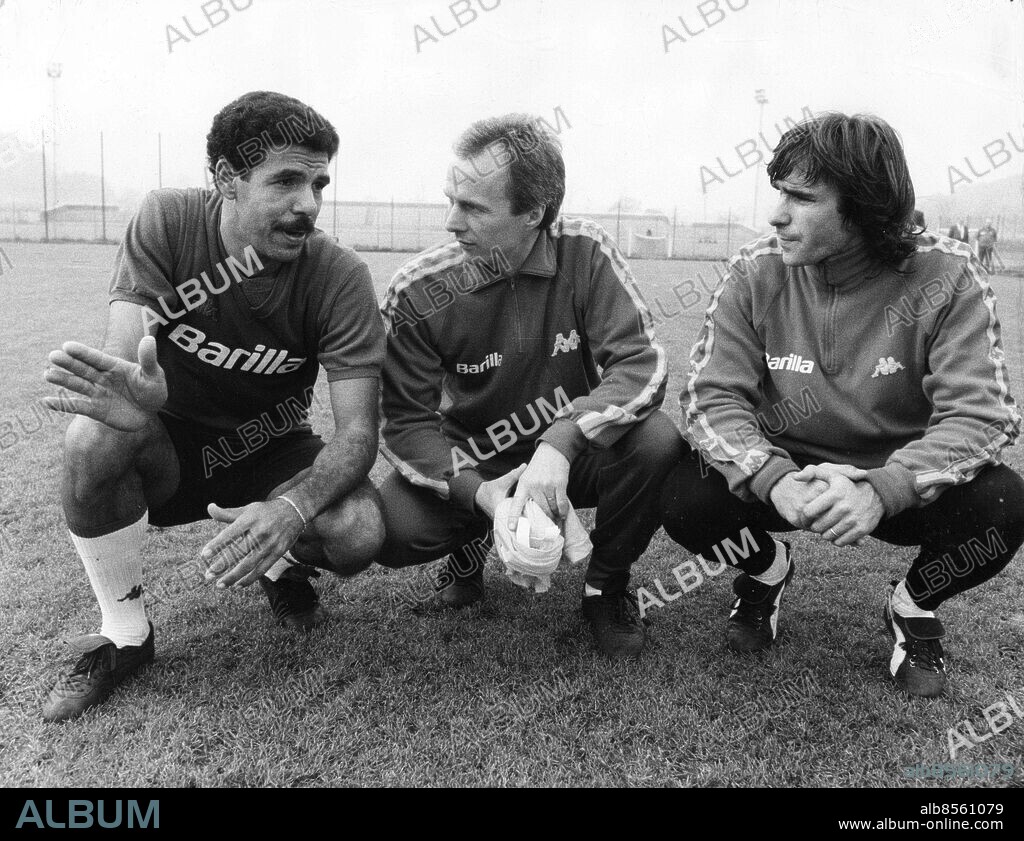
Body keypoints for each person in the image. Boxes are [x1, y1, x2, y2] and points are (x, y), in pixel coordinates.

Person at [39, 91, 386, 721]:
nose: (308, 205)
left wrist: (292, 507)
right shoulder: (169, 220)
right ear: (227, 178)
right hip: (170, 449)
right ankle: (125, 633)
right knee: (91, 438)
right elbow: (126, 352)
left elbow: (359, 435)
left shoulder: (340, 275)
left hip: (272, 451)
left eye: (318, 184)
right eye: (286, 181)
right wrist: (135, 390)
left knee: (358, 531)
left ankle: (279, 562)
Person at [660, 112, 1024, 697]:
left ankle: (912, 604)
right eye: (780, 193)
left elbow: (980, 415)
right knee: (683, 494)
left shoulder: (949, 274)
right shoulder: (755, 271)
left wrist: (884, 488)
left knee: (1003, 502)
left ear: (864, 208)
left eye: (801, 198)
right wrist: (772, 476)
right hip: (789, 470)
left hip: (896, 475)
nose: (777, 214)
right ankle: (768, 571)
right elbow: (712, 396)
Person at [377, 113, 682, 659]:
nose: (451, 222)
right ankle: (467, 552)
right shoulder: (419, 288)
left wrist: (561, 442)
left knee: (657, 442)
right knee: (394, 531)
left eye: (473, 207)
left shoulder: (585, 252)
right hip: (477, 455)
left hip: (573, 453)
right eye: (451, 200)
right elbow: (404, 423)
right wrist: (476, 490)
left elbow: (640, 364)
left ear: (534, 213)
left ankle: (605, 588)